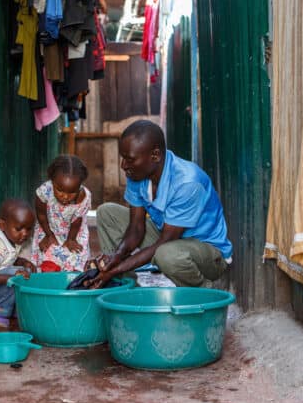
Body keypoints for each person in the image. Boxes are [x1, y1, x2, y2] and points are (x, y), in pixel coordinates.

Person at [88, 120, 232, 288]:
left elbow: (165, 242)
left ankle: (207, 292)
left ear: (155, 155)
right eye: (123, 158)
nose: (123, 165)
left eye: (129, 159)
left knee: (167, 254)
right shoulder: (137, 173)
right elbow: (136, 228)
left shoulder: (187, 182)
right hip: (169, 239)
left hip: (208, 254)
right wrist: (115, 259)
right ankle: (126, 287)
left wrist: (114, 268)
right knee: (107, 213)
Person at [30, 154, 92, 272]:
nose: (65, 197)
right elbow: (41, 215)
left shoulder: (84, 197)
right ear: (52, 181)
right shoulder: (45, 190)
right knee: (47, 259)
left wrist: (71, 239)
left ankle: (73, 278)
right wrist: (49, 235)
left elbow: (77, 221)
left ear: (79, 186)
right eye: (59, 190)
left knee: (77, 257)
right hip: (48, 226)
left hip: (74, 231)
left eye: (72, 192)